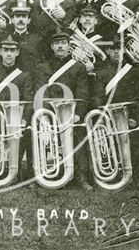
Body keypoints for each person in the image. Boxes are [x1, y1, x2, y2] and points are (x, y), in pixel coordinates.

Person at [33, 29, 92, 190]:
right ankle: (45, 175)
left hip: (71, 114)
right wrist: (44, 117)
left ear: (69, 47)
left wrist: (78, 114)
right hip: (50, 113)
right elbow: (40, 92)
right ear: (52, 46)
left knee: (78, 134)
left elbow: (82, 92)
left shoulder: (78, 67)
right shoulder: (42, 67)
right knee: (41, 132)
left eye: (63, 43)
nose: (60, 47)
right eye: (57, 43)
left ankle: (81, 176)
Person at [92, 35, 139, 188]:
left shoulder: (134, 71)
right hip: (110, 117)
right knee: (111, 146)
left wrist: (136, 118)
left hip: (130, 116)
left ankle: (136, 177)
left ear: (124, 50)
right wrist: (104, 118)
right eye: (113, 49)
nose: (116, 52)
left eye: (119, 49)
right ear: (108, 52)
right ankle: (116, 175)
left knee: (135, 147)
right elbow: (98, 97)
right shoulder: (102, 73)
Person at [0, 35, 34, 182]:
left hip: (17, 122)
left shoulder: (24, 76)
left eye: (12, 50)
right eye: (6, 50)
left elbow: (29, 100)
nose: (9, 54)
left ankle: (24, 174)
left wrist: (24, 119)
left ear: (17, 52)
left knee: (29, 132)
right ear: (0, 52)